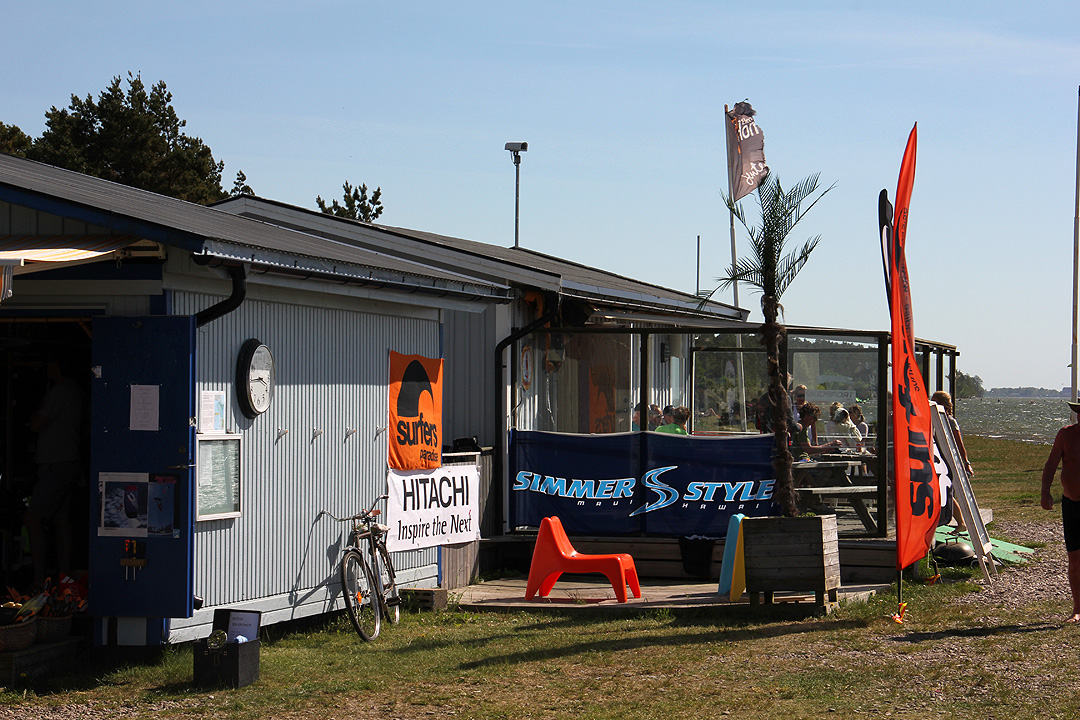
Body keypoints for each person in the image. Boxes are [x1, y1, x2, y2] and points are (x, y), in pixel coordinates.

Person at [24, 357, 85, 588]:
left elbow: (36, 424)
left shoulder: (59, 392)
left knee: (32, 518)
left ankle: (38, 579)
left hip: (55, 463)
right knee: (61, 521)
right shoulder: (75, 391)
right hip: (68, 461)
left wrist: (41, 400)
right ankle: (64, 577)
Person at [1040, 397, 1080, 624]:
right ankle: (1077, 609)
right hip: (1071, 503)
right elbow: (1051, 465)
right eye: (1079, 411)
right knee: (1074, 558)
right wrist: (1045, 492)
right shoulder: (1066, 434)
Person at [932, 390, 973, 532]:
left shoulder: (950, 421)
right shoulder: (933, 421)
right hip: (937, 460)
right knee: (940, 490)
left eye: (935, 402)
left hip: (947, 461)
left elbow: (959, 444)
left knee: (946, 490)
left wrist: (966, 462)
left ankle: (961, 522)